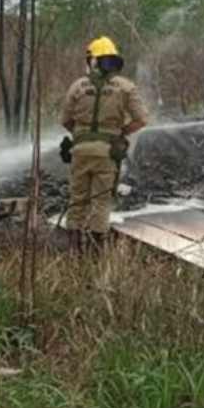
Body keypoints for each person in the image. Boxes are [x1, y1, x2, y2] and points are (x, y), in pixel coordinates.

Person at [60, 36, 149, 252]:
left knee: (78, 199)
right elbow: (142, 119)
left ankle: (74, 250)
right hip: (107, 154)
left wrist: (81, 135)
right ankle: (96, 252)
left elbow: (65, 120)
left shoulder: (77, 86)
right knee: (101, 202)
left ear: (92, 60)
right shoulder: (125, 87)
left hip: (80, 152)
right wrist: (120, 133)